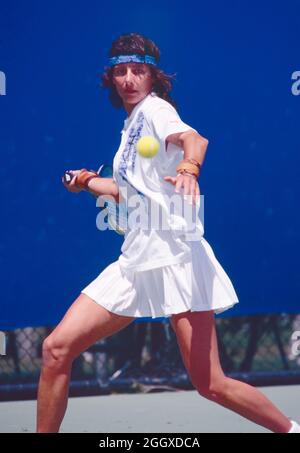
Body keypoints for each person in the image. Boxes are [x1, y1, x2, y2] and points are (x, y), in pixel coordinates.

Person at [36, 32, 299, 433]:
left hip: (177, 259)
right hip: (135, 261)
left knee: (210, 384)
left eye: (138, 71)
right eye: (120, 71)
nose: (128, 79)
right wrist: (87, 182)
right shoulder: (131, 126)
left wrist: (189, 168)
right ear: (111, 77)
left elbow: (194, 139)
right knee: (55, 350)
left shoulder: (157, 111)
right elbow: (129, 192)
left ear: (153, 77)